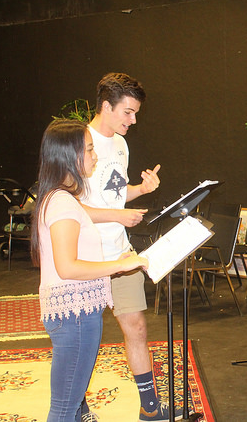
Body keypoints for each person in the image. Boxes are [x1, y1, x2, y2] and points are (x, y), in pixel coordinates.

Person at [31, 119, 148, 421]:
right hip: (76, 317)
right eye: (90, 149)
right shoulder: (63, 204)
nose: (95, 155)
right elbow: (67, 267)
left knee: (69, 404)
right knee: (65, 408)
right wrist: (121, 264)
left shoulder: (60, 199)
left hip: (75, 314)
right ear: (69, 156)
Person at [79, 73, 178, 421]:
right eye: (128, 112)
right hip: (85, 259)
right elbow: (66, 207)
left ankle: (149, 408)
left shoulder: (120, 145)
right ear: (106, 107)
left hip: (121, 254)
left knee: (136, 327)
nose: (132, 120)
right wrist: (116, 216)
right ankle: (78, 407)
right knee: (84, 341)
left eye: (135, 113)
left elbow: (115, 193)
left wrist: (142, 189)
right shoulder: (78, 143)